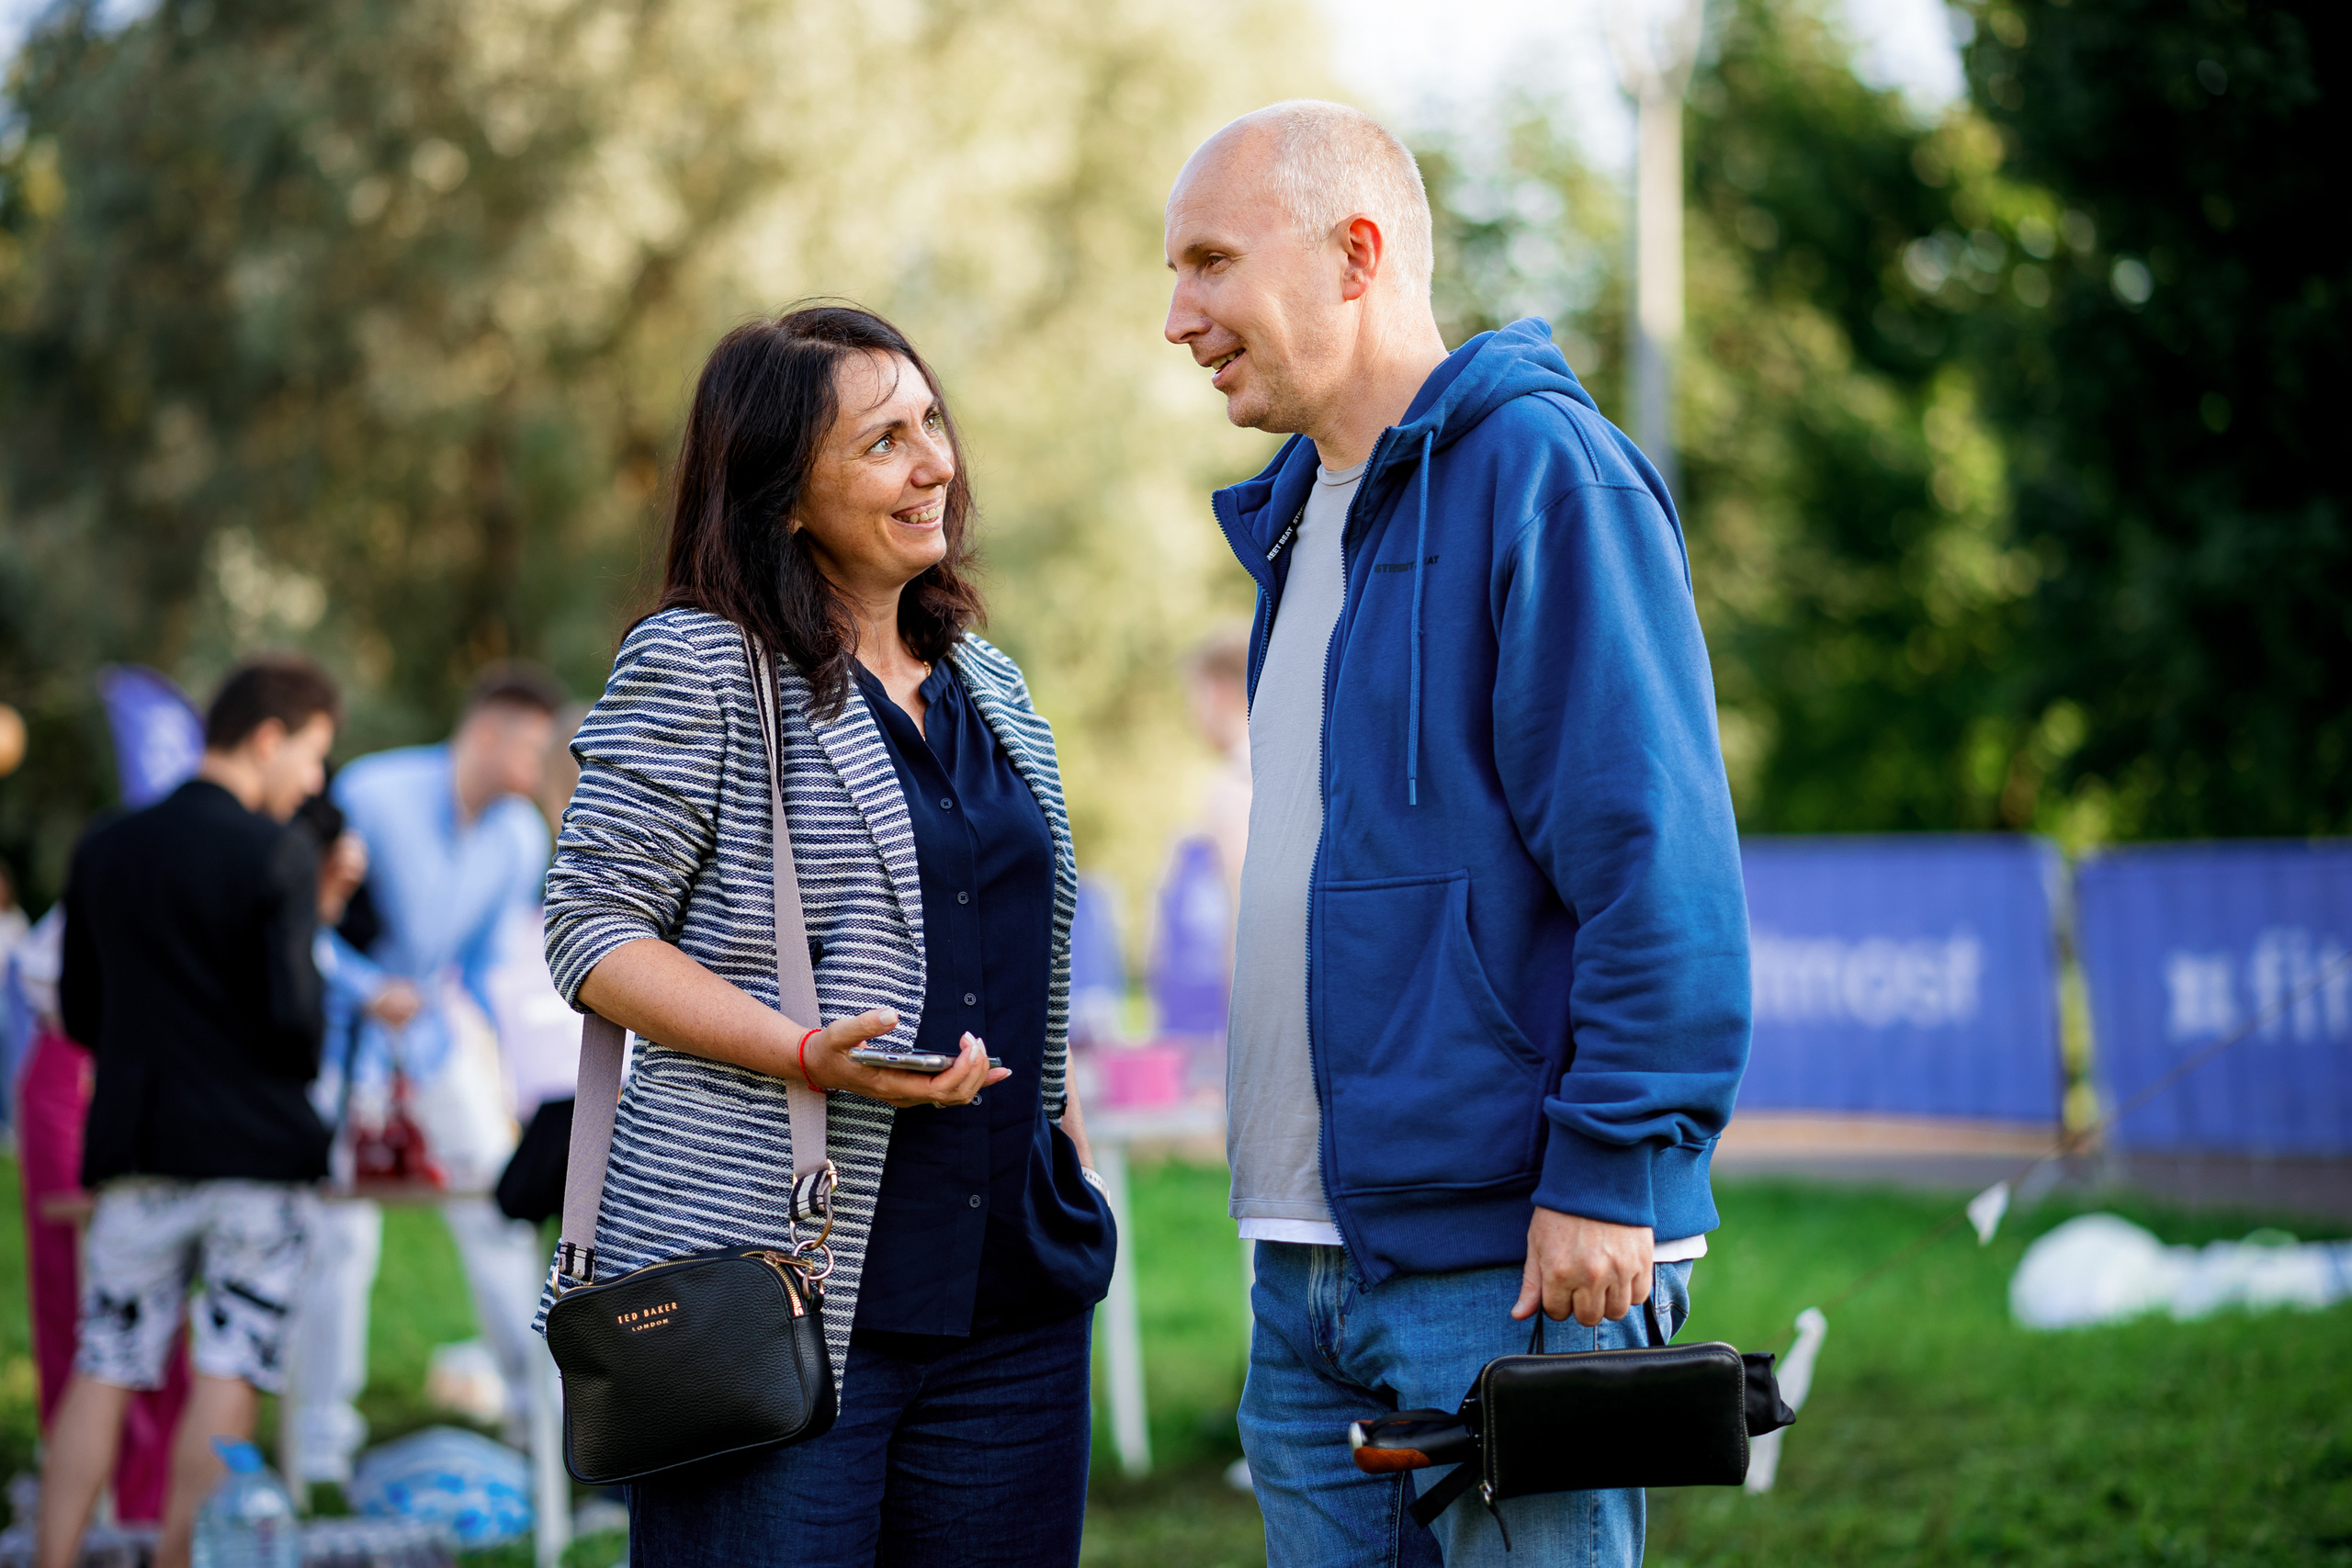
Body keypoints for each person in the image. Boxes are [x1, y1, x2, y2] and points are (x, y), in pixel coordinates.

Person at [1162, 102, 1752, 1567]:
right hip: (1301, 1260)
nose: (1178, 317)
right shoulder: (1298, 517)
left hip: (1512, 1259)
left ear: (1356, 254)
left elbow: (1658, 867)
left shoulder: (1547, 472)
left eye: (1211, 262)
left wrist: (1609, 1168)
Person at [542, 303, 1114, 1567]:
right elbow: (589, 926)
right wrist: (804, 1053)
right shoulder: (702, 663)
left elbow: (1027, 953)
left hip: (1014, 1303)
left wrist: (1062, 1146)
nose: (934, 464)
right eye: (882, 442)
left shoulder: (989, 682)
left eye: (931, 423)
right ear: (784, 497)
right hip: (776, 1300)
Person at [38, 655, 343, 1568]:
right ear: (267, 738)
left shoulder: (105, 845)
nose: (314, 781)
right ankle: (179, 1561)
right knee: (230, 1364)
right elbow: (297, 1030)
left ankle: (50, 1559)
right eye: (313, 755)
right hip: (255, 1159)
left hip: (137, 1150)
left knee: (105, 1360)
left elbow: (81, 1013)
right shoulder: (278, 853)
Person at [287, 663, 561, 1483]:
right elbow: (302, 923)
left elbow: (484, 972)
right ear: (487, 732)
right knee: (338, 1237)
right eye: (535, 745)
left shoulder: (520, 838)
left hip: (435, 1047)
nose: (544, 763)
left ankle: (547, 1424)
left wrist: (513, 1077)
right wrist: (367, 990)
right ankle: (319, 1447)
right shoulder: (373, 792)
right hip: (341, 1045)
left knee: (503, 1209)